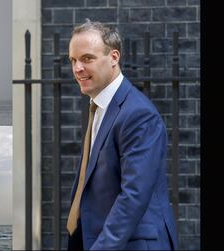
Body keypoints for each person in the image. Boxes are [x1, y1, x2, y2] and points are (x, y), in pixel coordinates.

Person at [66, 20, 178, 250]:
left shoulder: (138, 114)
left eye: (87, 58)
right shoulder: (98, 107)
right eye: (73, 60)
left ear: (114, 57)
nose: (78, 68)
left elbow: (133, 196)